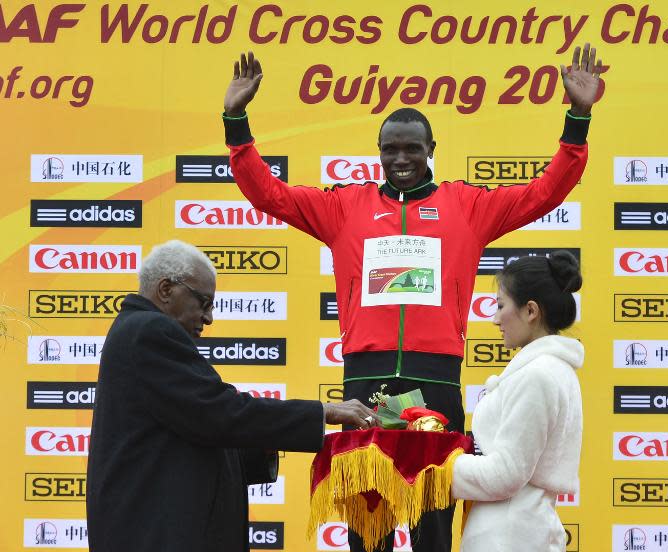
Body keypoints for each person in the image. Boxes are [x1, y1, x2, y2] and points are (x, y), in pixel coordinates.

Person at [222, 45, 601, 551]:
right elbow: (270, 194)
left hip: (435, 382)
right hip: (367, 380)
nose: (401, 160)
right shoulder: (345, 206)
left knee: (431, 529)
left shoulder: (465, 206)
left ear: (431, 150)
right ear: (378, 152)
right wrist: (236, 120)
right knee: (367, 531)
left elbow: (544, 192)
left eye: (412, 149)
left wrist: (578, 118)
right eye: (391, 150)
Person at [86, 240, 376, 552]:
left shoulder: (137, 330)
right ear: (167, 289)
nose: (208, 318)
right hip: (156, 534)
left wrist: (263, 438)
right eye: (203, 302)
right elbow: (217, 413)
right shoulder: (149, 330)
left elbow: (199, 427)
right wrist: (323, 412)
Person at [451, 250, 584, 551]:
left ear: (531, 311)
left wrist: (433, 467)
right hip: (520, 528)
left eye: (501, 306)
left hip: (508, 536)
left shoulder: (537, 375)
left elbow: (505, 474)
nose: (496, 319)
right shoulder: (554, 370)